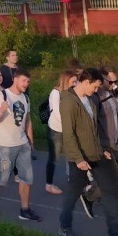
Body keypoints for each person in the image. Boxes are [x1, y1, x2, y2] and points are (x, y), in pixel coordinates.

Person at [58, 68, 118, 236]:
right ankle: (64, 226)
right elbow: (68, 135)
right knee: (73, 193)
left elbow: (93, 130)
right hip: (79, 158)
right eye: (95, 87)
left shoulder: (92, 100)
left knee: (110, 190)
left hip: (98, 154)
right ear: (86, 82)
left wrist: (103, 148)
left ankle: (115, 235)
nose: (96, 91)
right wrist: (78, 159)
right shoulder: (68, 101)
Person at [0, 68, 40, 220]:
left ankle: (25, 210)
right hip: (5, 145)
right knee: (3, 178)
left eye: (28, 81)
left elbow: (27, 121)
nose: (26, 84)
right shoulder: (2, 95)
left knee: (26, 178)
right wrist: (1, 110)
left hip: (22, 144)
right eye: (23, 81)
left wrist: (30, 139)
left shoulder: (25, 98)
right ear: (15, 79)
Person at [45, 67, 82, 195]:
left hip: (69, 129)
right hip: (56, 130)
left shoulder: (73, 93)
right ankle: (49, 184)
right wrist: (72, 124)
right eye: (73, 81)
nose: (76, 84)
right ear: (66, 81)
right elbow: (57, 114)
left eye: (76, 81)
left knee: (72, 155)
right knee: (54, 157)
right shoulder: (55, 93)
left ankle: (73, 180)